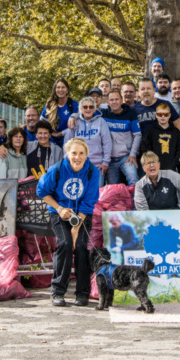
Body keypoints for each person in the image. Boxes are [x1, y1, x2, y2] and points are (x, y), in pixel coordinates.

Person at [37, 137, 101, 307]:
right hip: (60, 213)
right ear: (67, 154)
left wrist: (76, 229)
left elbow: (89, 202)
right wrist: (59, 209)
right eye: (74, 153)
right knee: (64, 244)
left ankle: (82, 293)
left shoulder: (92, 172)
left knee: (80, 246)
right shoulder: (56, 169)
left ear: (87, 155)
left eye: (81, 153)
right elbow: (42, 191)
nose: (77, 157)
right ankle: (57, 292)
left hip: (82, 214)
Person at [62, 97, 112, 183]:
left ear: (94, 108)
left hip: (97, 166)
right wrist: (67, 161)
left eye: (91, 107)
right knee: (79, 193)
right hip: (78, 165)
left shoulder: (101, 121)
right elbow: (67, 144)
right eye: (85, 107)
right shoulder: (74, 122)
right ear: (81, 109)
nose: (88, 109)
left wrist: (105, 162)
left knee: (97, 194)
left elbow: (107, 143)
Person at [102, 90, 141, 185]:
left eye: (116, 99)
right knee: (112, 188)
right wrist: (74, 116)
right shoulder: (103, 114)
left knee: (133, 180)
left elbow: (137, 135)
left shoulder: (130, 114)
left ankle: (136, 200)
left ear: (121, 100)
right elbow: (85, 112)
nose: (114, 102)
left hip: (126, 157)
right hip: (110, 159)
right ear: (107, 102)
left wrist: (133, 154)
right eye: (111, 100)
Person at [137, 101, 180, 173]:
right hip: (155, 169)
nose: (163, 116)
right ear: (156, 115)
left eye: (165, 114)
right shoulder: (150, 131)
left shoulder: (176, 132)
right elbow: (145, 149)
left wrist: (175, 162)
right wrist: (152, 163)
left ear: (170, 115)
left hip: (172, 168)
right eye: (160, 114)